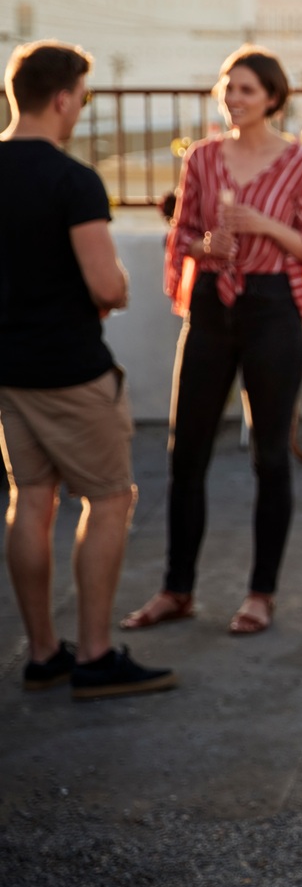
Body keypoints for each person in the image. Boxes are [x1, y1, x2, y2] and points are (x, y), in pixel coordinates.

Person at [123, 47, 302, 637]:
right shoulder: (201, 159)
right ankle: (177, 589)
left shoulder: (301, 165)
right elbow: (184, 235)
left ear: (273, 97)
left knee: (270, 457)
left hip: (272, 308)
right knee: (184, 453)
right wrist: (203, 249)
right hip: (210, 309)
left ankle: (260, 594)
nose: (234, 98)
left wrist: (265, 227)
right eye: (228, 88)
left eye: (246, 89)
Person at [1, 42, 175, 700]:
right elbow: (110, 283)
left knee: (30, 500)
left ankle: (45, 651)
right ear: (65, 97)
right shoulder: (72, 180)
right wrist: (120, 282)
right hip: (69, 368)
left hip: (9, 368)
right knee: (109, 498)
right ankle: (96, 653)